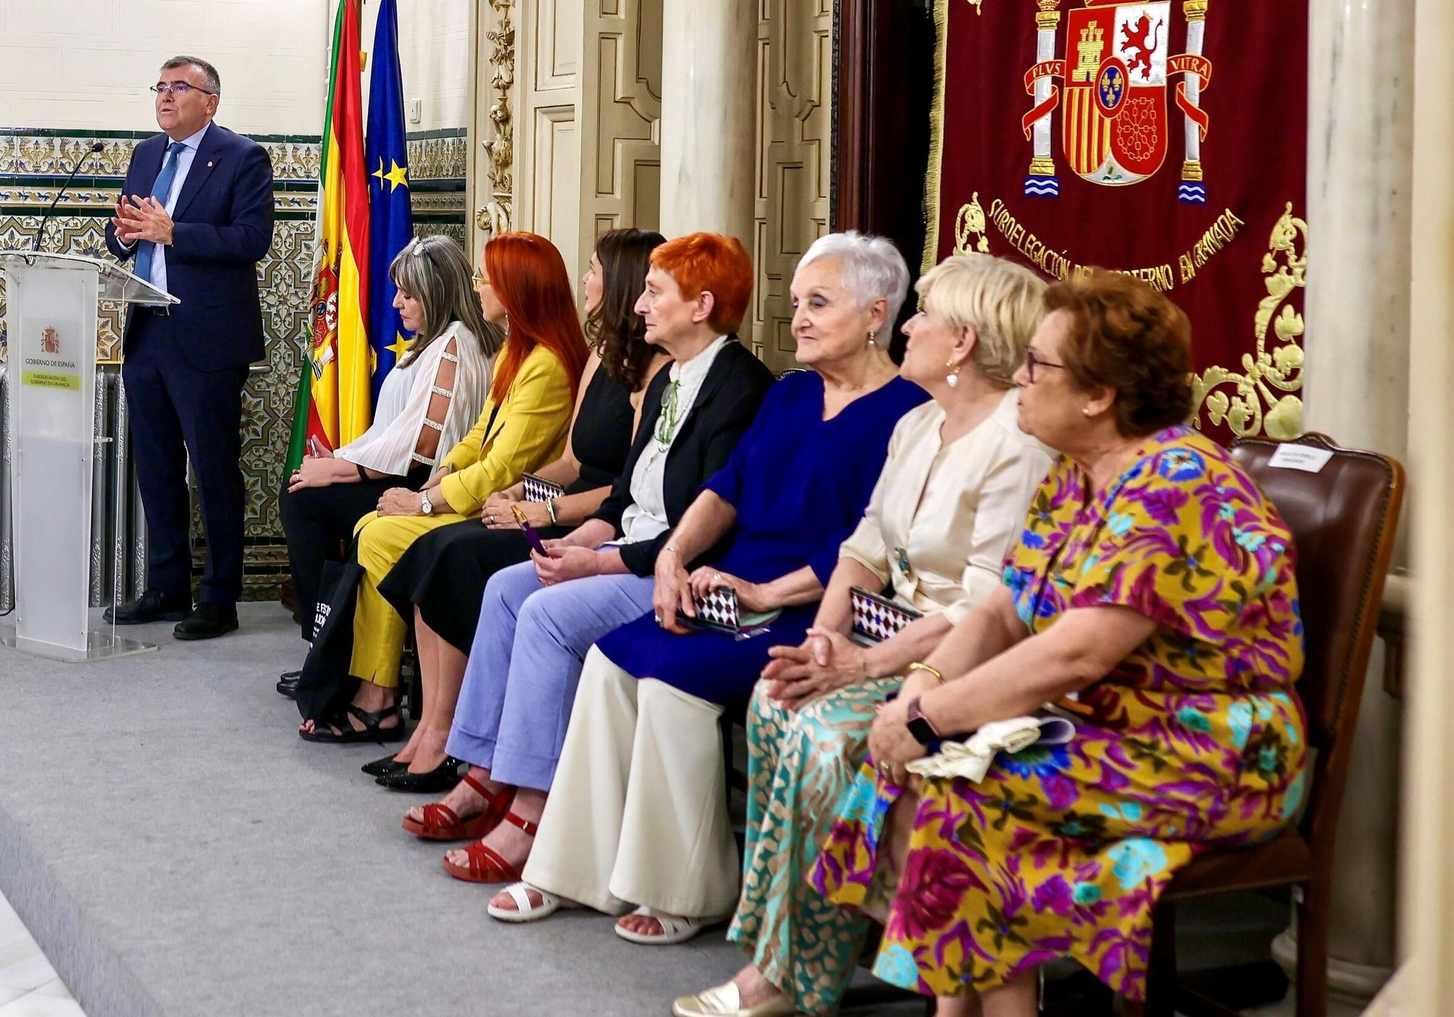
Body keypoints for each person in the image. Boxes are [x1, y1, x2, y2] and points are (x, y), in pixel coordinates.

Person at [808, 270, 1306, 1016]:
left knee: (963, 787)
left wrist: (928, 720)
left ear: (1099, 394)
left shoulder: (1177, 484)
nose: (1019, 377)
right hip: (1104, 721)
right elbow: (1003, 609)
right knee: (923, 776)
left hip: (1210, 746)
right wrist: (922, 686)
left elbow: (1079, 652)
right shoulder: (1078, 473)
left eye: (1038, 364)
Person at [498, 232, 927, 944]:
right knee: (610, 658)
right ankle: (574, 870)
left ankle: (687, 889)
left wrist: (766, 594)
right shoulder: (791, 393)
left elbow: (867, 544)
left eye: (819, 304)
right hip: (729, 583)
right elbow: (726, 488)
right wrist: (673, 556)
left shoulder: (910, 412)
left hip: (810, 607)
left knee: (671, 679)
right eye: (797, 303)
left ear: (877, 313)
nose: (798, 319)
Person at [673, 253, 1053, 1017]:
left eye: (924, 316)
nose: (907, 327)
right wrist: (822, 639)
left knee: (825, 737)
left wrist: (861, 664)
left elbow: (987, 607)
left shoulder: (1016, 441)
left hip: (964, 663)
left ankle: (796, 971)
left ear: (963, 341)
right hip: (888, 644)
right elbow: (865, 548)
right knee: (778, 697)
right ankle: (778, 944)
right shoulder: (919, 422)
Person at [396, 233, 774, 884]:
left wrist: (596, 562)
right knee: (507, 588)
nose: (642, 305)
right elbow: (626, 497)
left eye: (655, 292)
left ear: (702, 306)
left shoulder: (740, 387)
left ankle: (532, 812)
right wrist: (576, 542)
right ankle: (485, 773)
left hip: (672, 572)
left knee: (544, 614)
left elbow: (704, 525)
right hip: (625, 545)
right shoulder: (670, 377)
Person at [368, 228, 669, 785]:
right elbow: (571, 461)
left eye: (594, 271)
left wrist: (540, 511)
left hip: (594, 521)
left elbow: (625, 489)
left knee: (451, 556)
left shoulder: (647, 373)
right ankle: (431, 725)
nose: (585, 280)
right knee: (435, 551)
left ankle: (447, 734)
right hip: (556, 505)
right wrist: (519, 492)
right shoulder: (598, 356)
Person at [297, 232, 588, 743]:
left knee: (379, 534)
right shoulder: (517, 352)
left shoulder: (545, 365)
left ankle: (382, 701)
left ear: (516, 289)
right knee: (372, 527)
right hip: (478, 496)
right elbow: (479, 437)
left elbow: (501, 470)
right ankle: (373, 689)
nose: (477, 287)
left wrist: (424, 501)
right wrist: (443, 472)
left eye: (486, 278)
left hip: (507, 509)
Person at [104, 55, 274, 640]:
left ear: (211, 101)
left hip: (207, 338)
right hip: (147, 331)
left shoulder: (243, 157)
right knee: (156, 468)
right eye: (161, 86)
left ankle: (220, 598)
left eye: (179, 87)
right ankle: (168, 586)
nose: (166, 96)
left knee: (214, 471)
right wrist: (124, 234)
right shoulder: (146, 154)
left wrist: (174, 232)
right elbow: (129, 232)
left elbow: (251, 240)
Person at [278, 235, 504, 646]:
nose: (396, 303)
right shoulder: (438, 339)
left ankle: (326, 648)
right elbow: (396, 429)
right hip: (409, 475)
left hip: (424, 487)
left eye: (407, 294)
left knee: (302, 499)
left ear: (436, 294)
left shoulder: (453, 345)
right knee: (303, 488)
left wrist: (338, 470)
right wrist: (340, 457)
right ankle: (330, 642)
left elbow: (422, 449)